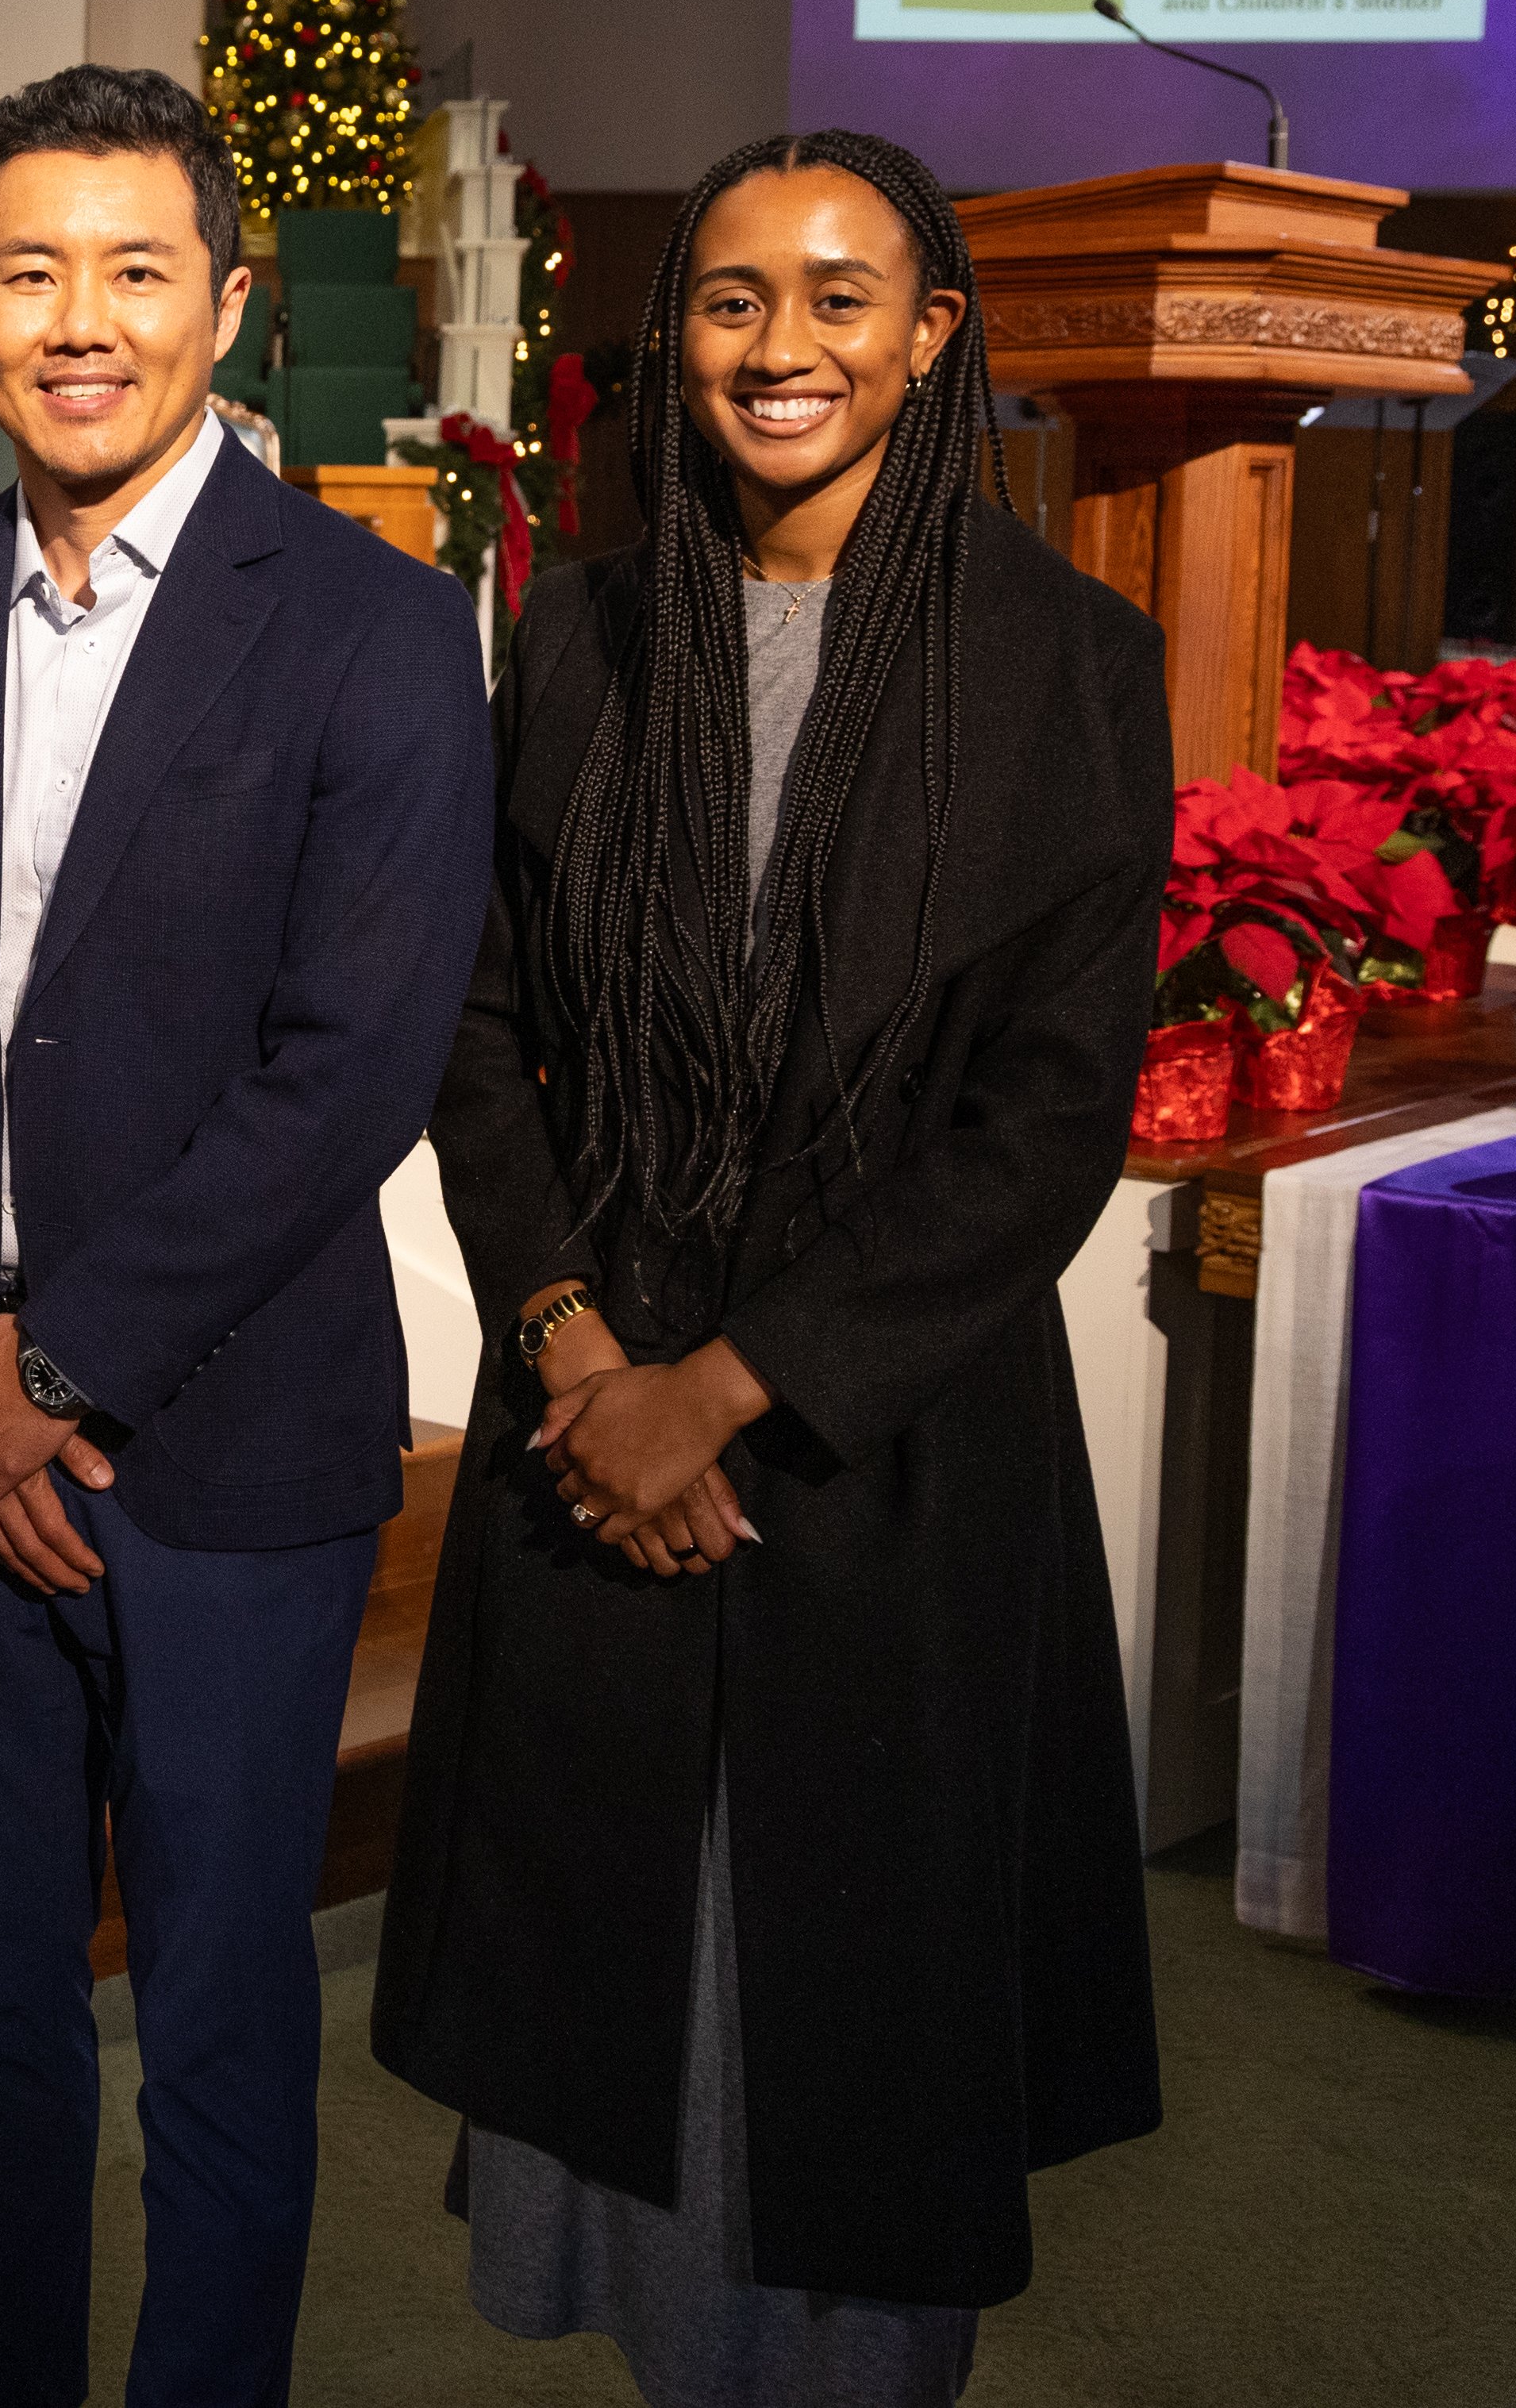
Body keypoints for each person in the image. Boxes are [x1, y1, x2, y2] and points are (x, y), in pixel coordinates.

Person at [370, 132, 1170, 2405]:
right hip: (589, 1405)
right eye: (731, 298)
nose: (779, 344)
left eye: (839, 296)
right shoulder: (591, 630)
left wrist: (719, 1389)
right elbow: (481, 1019)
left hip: (874, 1455)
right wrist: (571, 1345)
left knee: (852, 2064)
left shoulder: (1062, 661)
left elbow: (1043, 1122)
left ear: (932, 335)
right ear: (670, 338)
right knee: (618, 2015)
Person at [0, 65, 497, 2406]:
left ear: (221, 307)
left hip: (220, 1459)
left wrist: (57, 1364)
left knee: (212, 2035)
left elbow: (351, 1068)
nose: (75, 321)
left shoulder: (374, 632)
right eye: (26, 270)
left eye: (128, 269)